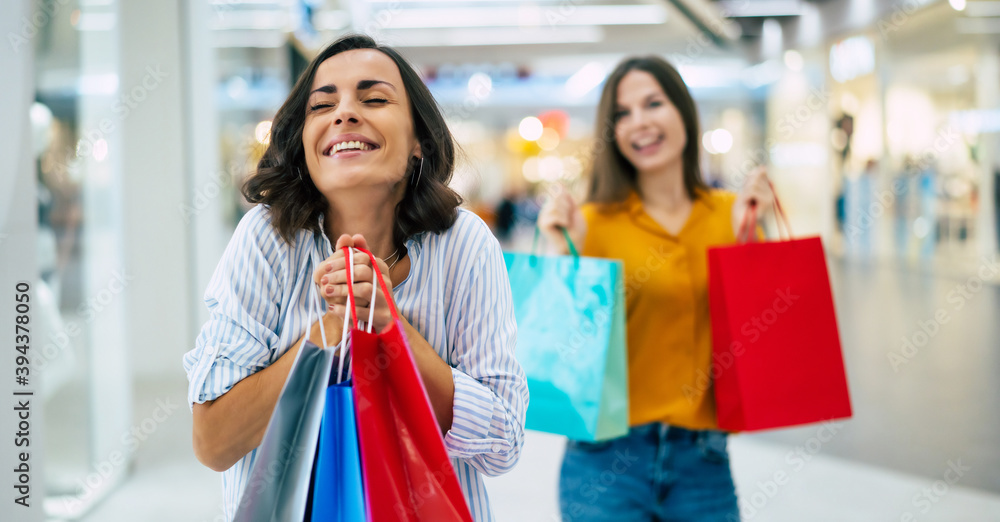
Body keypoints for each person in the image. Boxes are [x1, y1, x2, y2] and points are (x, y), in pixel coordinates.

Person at [183, 34, 528, 522]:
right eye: (322, 105)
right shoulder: (266, 238)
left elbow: (503, 443)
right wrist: (324, 336)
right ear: (304, 146)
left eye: (374, 98)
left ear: (417, 143)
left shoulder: (464, 243)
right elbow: (213, 441)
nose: (343, 113)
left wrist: (391, 331)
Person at [538, 56, 776, 521]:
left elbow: (760, 334)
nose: (639, 122)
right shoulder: (587, 223)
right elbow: (560, 352)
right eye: (623, 114)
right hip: (604, 460)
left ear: (684, 112)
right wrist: (559, 253)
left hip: (702, 460)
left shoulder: (731, 214)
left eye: (653, 103)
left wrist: (755, 237)